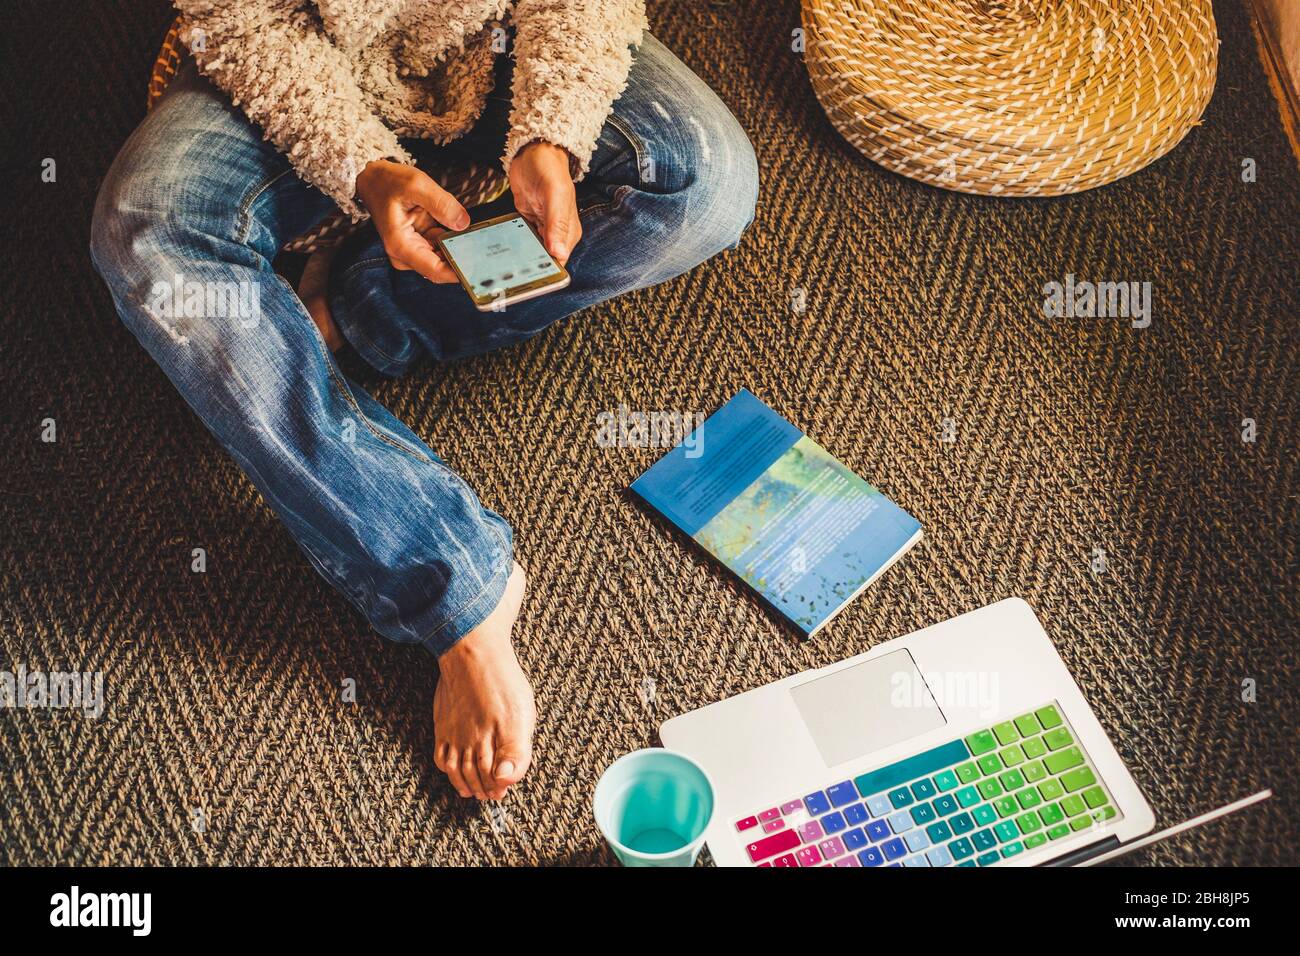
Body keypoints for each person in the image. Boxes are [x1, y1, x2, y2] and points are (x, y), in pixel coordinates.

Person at [90, 0, 758, 802]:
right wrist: (362, 165)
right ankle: (450, 579)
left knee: (705, 182)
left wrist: (554, 129)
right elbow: (237, 20)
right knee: (149, 226)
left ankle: (368, 306)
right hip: (308, 53)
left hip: (502, 37)